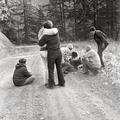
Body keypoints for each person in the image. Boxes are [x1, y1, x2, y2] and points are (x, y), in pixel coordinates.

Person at [38, 20, 65, 89]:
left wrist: (41, 35)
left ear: (45, 28)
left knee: (51, 69)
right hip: (59, 52)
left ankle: (51, 85)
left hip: (51, 53)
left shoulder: (46, 35)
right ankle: (62, 83)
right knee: (59, 68)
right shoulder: (56, 32)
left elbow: (40, 43)